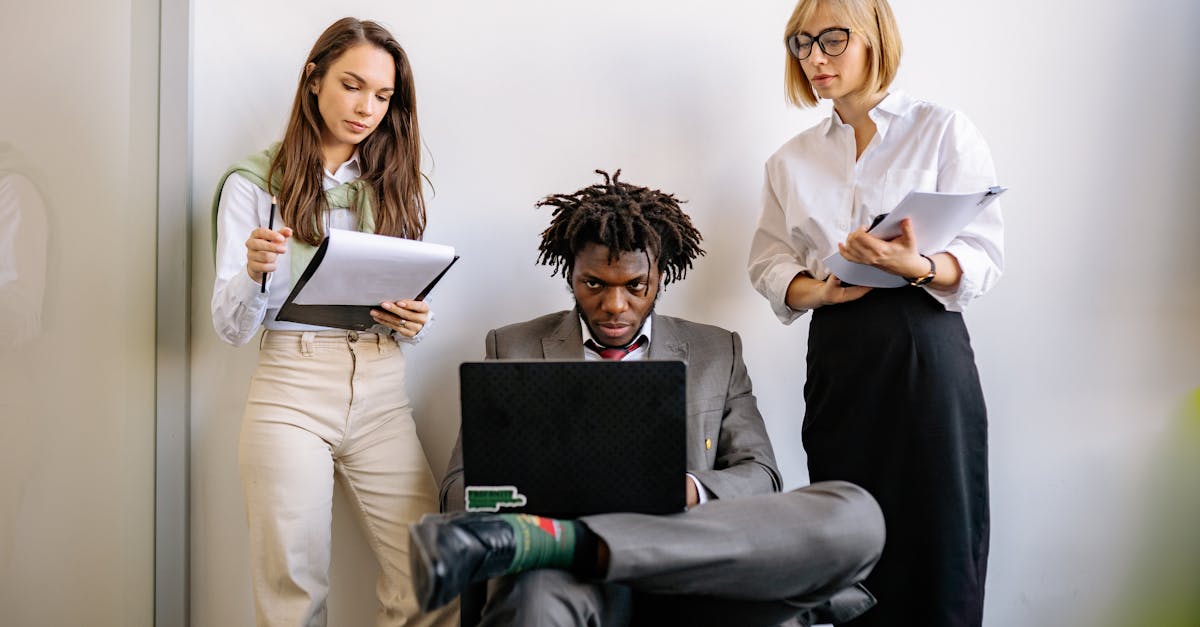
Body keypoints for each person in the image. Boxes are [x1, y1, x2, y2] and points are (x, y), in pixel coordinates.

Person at [412, 170, 886, 627]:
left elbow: (761, 477)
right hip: (571, 583)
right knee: (533, 596)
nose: (615, 306)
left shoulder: (716, 351)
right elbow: (459, 490)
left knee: (856, 514)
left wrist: (689, 491)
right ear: (570, 275)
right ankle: (561, 545)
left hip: (692, 574)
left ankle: (568, 540)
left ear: (661, 277)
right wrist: (545, 493)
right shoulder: (512, 347)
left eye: (635, 286)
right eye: (593, 284)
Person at [747, 1, 1004, 625]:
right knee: (844, 532)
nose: (815, 58)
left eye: (832, 40)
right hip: (840, 352)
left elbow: (984, 255)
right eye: (801, 44)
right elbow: (768, 263)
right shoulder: (790, 159)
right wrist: (820, 290)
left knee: (940, 531)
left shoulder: (942, 130)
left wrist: (913, 266)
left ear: (874, 39)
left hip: (925, 345)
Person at [210, 17, 455, 627]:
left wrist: (411, 318)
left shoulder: (396, 184)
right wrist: (256, 270)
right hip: (290, 389)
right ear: (313, 81)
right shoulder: (252, 183)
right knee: (292, 590)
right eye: (352, 85)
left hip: (381, 387)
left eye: (382, 95)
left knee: (434, 573)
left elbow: (396, 306)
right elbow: (232, 328)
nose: (366, 108)